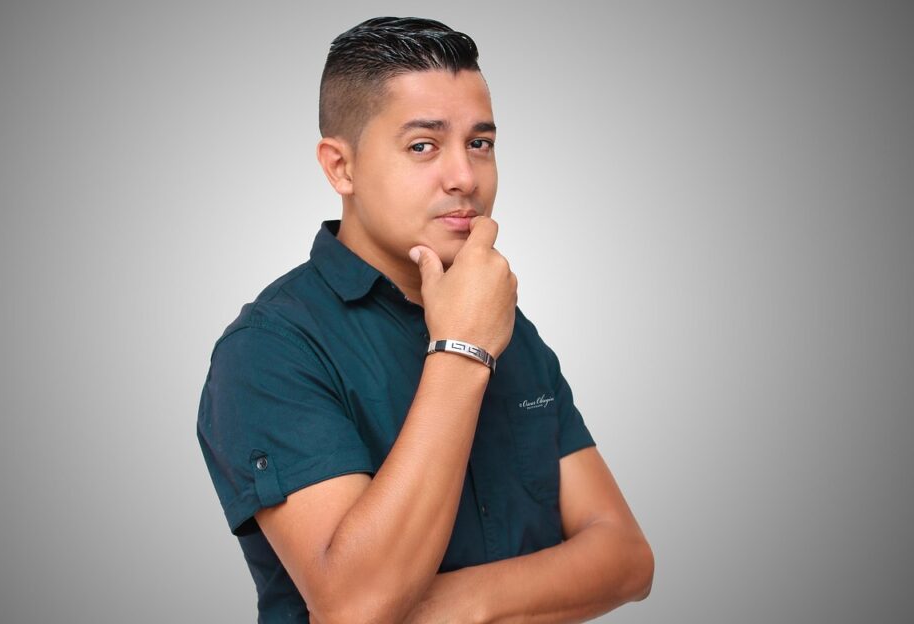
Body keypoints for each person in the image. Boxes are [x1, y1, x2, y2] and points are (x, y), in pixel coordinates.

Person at [197, 16, 653, 623]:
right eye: (423, 146)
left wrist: (444, 610)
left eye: (480, 143)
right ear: (340, 167)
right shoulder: (270, 350)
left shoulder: (509, 327)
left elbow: (627, 558)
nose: (465, 177)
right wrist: (462, 349)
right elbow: (359, 605)